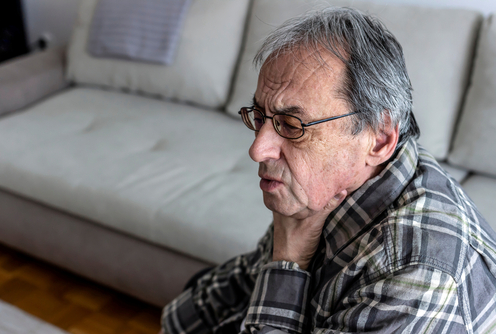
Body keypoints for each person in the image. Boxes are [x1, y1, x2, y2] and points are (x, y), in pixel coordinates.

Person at [161, 7, 496, 334]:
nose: (257, 149)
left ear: (378, 140)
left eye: (292, 125)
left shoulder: (416, 277)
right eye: (261, 118)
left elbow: (271, 270)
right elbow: (247, 280)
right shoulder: (332, 186)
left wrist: (287, 263)